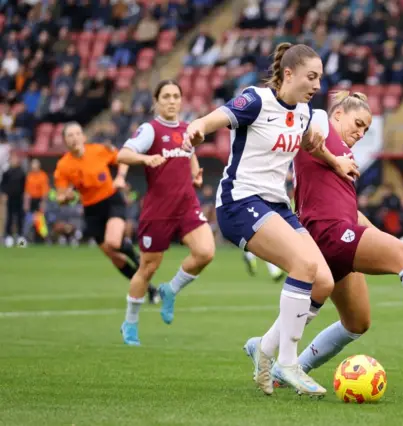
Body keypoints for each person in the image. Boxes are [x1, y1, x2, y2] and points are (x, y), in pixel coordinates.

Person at [254, 92, 403, 386]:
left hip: (330, 235)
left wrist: (382, 240)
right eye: (357, 123)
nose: (360, 132)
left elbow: (350, 211)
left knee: (357, 323)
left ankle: (287, 369)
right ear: (337, 113)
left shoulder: (345, 156)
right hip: (327, 231)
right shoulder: (320, 121)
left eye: (366, 128)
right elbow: (307, 134)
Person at [182, 43, 359, 396]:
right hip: (239, 202)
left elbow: (310, 143)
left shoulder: (305, 111)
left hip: (275, 205)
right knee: (304, 264)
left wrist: (336, 161)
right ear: (288, 74)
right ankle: (289, 363)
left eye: (320, 78)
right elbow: (215, 117)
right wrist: (197, 128)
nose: (317, 84)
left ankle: (264, 349)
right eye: (311, 76)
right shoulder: (256, 101)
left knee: (322, 281)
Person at [116, 80, 215, 346]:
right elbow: (123, 155)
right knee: (148, 267)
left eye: (176, 96)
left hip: (186, 205)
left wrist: (195, 172)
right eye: (166, 96)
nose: (172, 101)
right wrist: (146, 159)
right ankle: (130, 323)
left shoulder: (187, 129)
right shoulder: (150, 130)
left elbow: (189, 152)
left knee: (205, 252)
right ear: (156, 101)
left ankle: (170, 290)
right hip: (158, 210)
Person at [53, 122, 158, 302]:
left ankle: (135, 255)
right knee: (114, 257)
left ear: (83, 137)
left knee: (113, 241)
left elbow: (124, 158)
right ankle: (149, 289)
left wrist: (120, 178)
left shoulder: (98, 150)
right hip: (91, 210)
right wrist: (67, 197)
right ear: (64, 141)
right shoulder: (63, 166)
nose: (75, 138)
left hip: (111, 201)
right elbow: (61, 197)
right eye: (70, 135)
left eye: (78, 133)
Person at [1, 152, 26, 247]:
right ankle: (9, 237)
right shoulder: (7, 172)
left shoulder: (21, 172)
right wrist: (4, 194)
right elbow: (3, 185)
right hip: (10, 198)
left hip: (19, 198)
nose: (14, 160)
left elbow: (24, 186)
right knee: (10, 217)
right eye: (12, 159)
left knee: (19, 217)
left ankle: (20, 238)